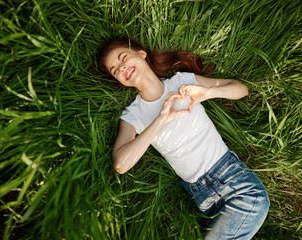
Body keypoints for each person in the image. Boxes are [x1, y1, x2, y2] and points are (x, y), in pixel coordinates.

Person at [98, 37, 270, 239]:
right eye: (115, 69)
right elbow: (121, 164)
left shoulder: (182, 81)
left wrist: (208, 92)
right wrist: (161, 119)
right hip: (203, 197)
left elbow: (241, 89)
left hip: (234, 180)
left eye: (123, 57)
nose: (121, 67)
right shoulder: (133, 115)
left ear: (141, 54)